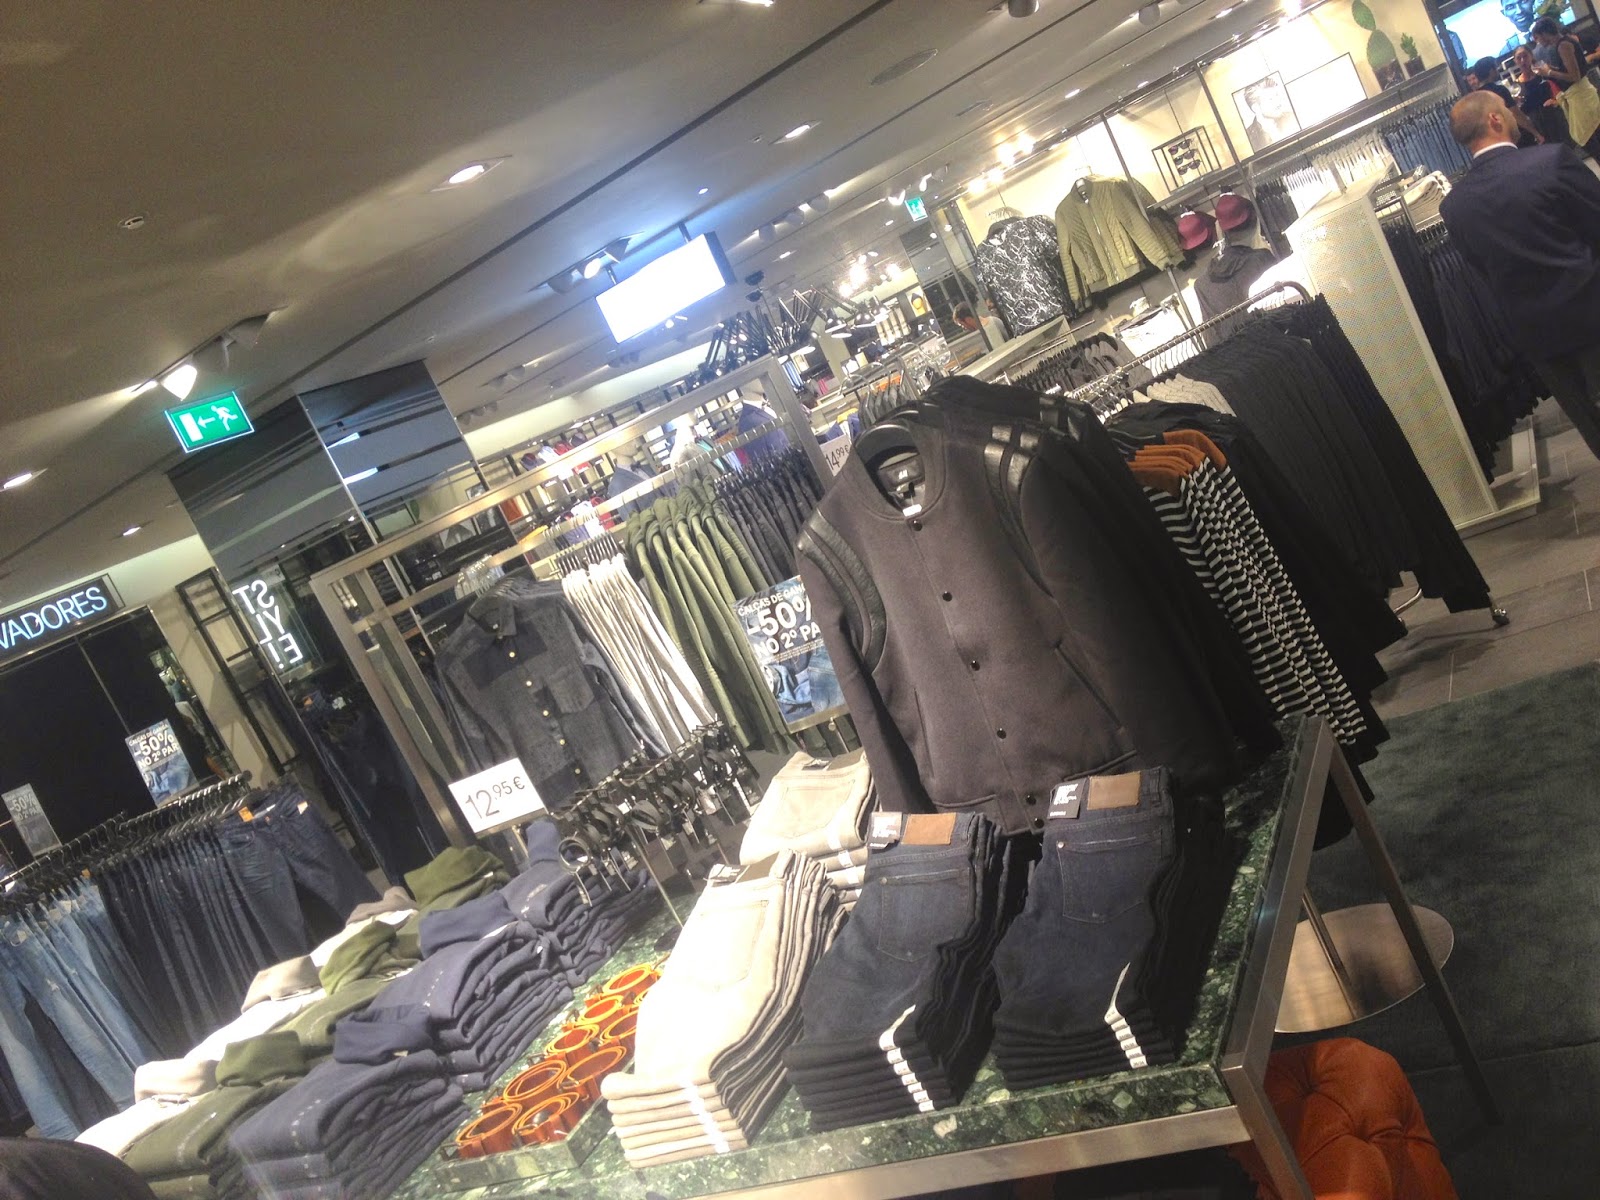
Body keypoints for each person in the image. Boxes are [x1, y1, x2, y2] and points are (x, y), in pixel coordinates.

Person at [1439, 90, 1600, 460]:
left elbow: (1482, 270)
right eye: (1506, 108)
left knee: (1591, 425)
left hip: (1537, 336)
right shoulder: (1551, 160)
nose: (1513, 114)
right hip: (1592, 309)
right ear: (1495, 119)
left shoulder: (1455, 207)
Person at [1465, 54, 1542, 145]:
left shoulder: (1474, 98)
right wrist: (1536, 133)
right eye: (1495, 67)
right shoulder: (1499, 90)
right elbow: (1516, 114)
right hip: (1515, 136)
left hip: (1496, 140)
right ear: (1491, 71)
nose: (1497, 70)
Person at [1513, 43, 1570, 146]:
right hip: (1537, 127)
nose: (1522, 60)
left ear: (1531, 56)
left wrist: (1556, 101)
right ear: (1515, 61)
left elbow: (1563, 90)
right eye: (1518, 58)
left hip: (1555, 119)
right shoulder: (1517, 86)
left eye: (1525, 56)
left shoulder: (1543, 73)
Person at [1241, 75, 1299, 151]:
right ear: (1256, 108)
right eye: (1270, 99)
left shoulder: (1293, 117)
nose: (1278, 102)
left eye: (1277, 96)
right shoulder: (1247, 139)